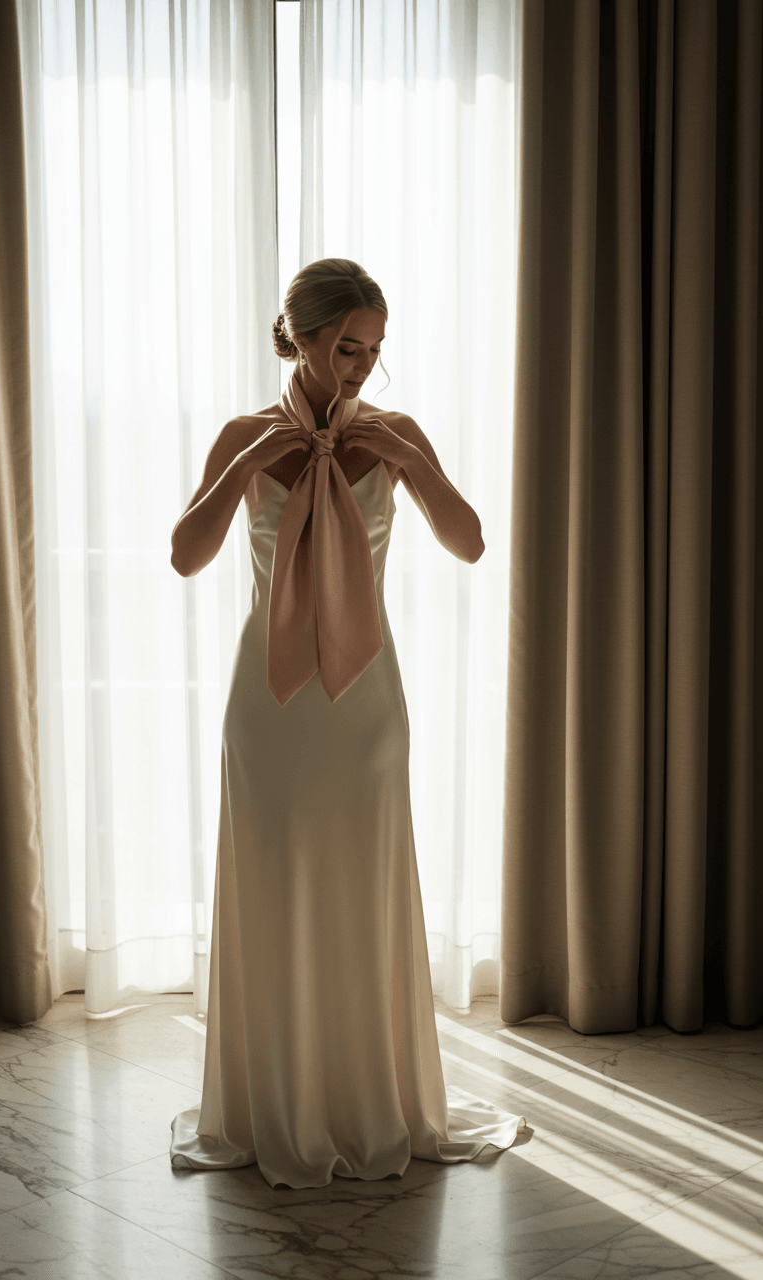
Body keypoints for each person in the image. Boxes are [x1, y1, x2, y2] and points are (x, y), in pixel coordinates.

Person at [168, 258, 525, 1189]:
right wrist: (243, 467)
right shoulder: (244, 437)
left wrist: (412, 462)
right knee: (274, 885)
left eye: (375, 349)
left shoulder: (395, 434)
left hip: (365, 704)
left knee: (365, 888)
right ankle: (275, 1101)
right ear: (303, 339)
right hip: (271, 707)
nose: (364, 365)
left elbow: (470, 541)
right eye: (348, 347)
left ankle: (371, 1097)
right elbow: (185, 555)